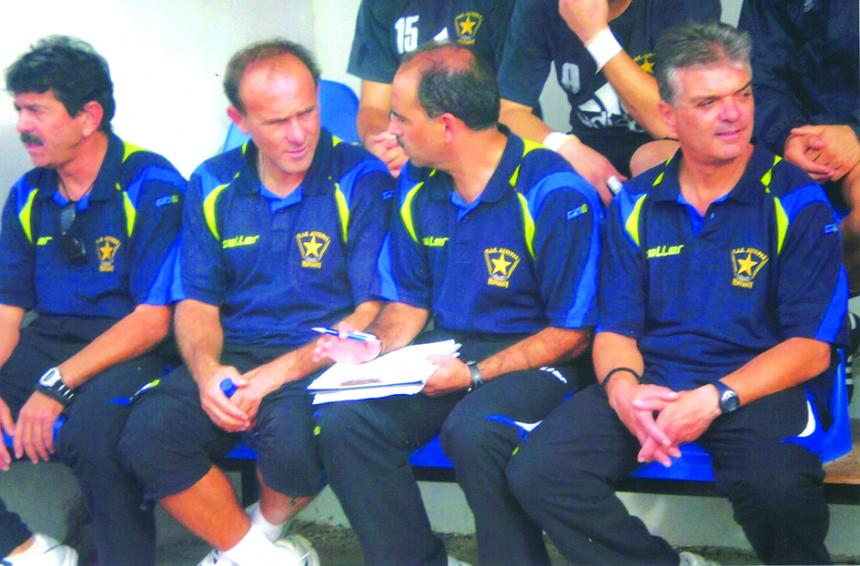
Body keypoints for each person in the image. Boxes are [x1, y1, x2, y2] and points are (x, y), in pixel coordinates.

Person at [506, 21, 848, 565]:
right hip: (656, 379)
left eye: (742, 94)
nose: (733, 113)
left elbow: (810, 349)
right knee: (541, 471)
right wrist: (624, 390)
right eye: (709, 102)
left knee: (778, 487)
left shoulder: (796, 199)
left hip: (755, 385)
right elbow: (616, 330)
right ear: (668, 116)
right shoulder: (636, 202)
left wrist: (714, 398)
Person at [315, 42, 601, 566]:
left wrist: (473, 375)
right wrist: (370, 345)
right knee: (346, 421)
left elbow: (573, 334)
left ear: (446, 125)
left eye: (401, 118)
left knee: (476, 432)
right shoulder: (416, 183)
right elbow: (409, 302)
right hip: (448, 352)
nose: (391, 131)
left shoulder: (553, 191)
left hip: (542, 359)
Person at [117, 39, 393, 566]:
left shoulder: (361, 175)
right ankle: (262, 557)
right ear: (239, 121)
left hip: (322, 356)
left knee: (293, 440)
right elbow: (197, 302)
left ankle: (255, 543)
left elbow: (369, 313)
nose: (299, 134)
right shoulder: (213, 180)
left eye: (307, 113)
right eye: (277, 122)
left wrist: (275, 375)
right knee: (147, 435)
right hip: (236, 351)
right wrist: (207, 372)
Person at [0, 36, 184, 565]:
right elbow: (7, 312)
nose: (22, 125)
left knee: (97, 433)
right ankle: (29, 552)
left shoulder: (151, 183)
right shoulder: (28, 192)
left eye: (36, 110)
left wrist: (56, 384)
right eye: (19, 109)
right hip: (50, 338)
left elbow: (152, 321)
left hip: (132, 346)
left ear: (89, 117)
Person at [497, 0, 720, 202]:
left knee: (656, 160)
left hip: (668, 144)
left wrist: (596, 37)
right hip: (587, 146)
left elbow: (674, 124)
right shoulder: (542, 6)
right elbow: (509, 111)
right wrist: (566, 148)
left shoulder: (685, 5)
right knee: (534, 172)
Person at [738, 0, 860, 286]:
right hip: (800, 142)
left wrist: (855, 134)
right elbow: (761, 78)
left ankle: (813, 300)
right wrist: (789, 136)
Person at [348, 0, 516, 177]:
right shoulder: (380, 5)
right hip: (413, 158)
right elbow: (374, 107)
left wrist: (425, 149)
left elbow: (512, 109)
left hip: (485, 163)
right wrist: (382, 144)